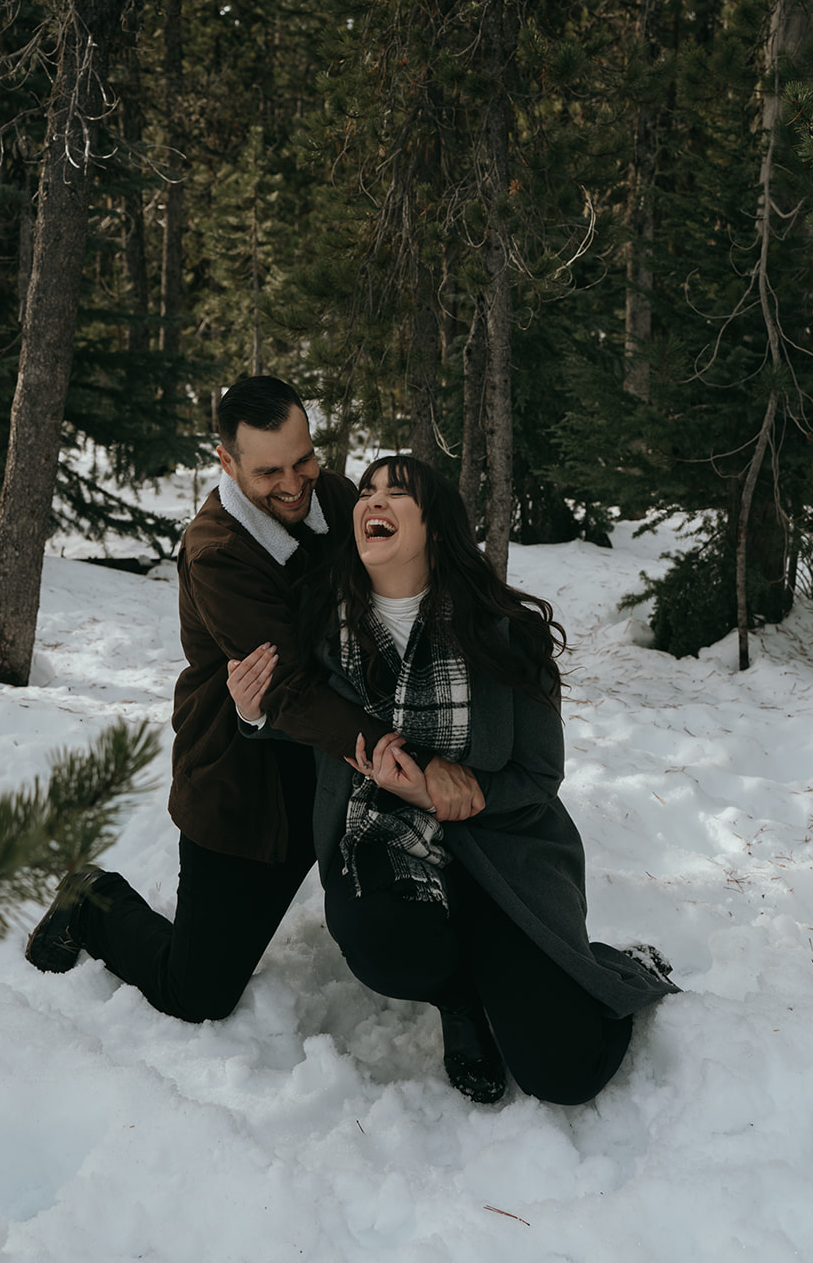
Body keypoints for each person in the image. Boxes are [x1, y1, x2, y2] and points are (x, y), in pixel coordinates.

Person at [25, 379, 484, 1021]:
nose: (295, 484)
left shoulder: (334, 496)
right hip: (248, 779)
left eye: (304, 460)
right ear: (227, 462)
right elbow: (287, 689)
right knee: (199, 992)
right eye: (269, 471)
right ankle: (93, 900)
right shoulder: (217, 552)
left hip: (339, 763)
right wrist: (393, 749)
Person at [228, 454, 678, 1105]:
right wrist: (250, 712)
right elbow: (310, 721)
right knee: (383, 946)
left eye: (396, 492)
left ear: (436, 527)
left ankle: (609, 965)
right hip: (387, 852)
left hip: (500, 861)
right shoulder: (326, 627)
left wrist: (449, 792)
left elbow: (536, 775)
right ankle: (460, 998)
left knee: (564, 1076)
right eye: (365, 492)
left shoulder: (504, 635)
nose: (371, 503)